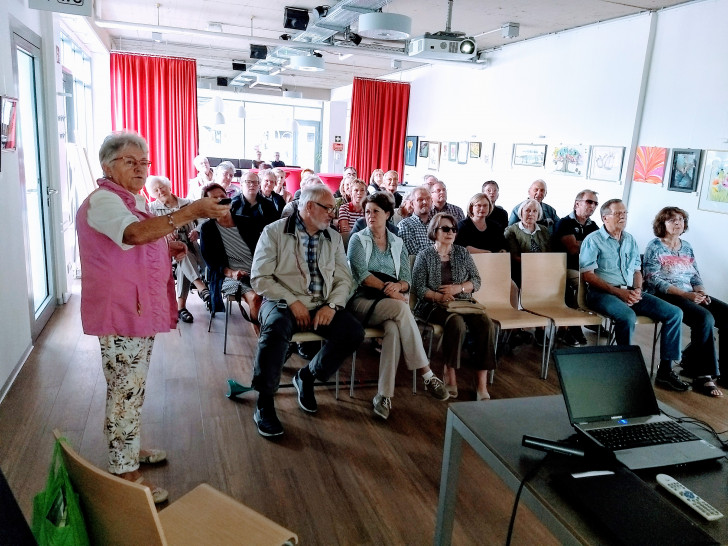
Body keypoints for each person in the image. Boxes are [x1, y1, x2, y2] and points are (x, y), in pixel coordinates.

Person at [76, 132, 229, 503]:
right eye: (131, 161)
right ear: (108, 166)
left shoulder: (127, 199)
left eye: (144, 161)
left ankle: (129, 446)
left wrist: (166, 246)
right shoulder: (104, 200)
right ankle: (124, 470)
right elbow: (132, 234)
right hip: (121, 311)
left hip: (133, 309)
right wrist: (190, 211)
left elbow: (142, 239)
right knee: (125, 391)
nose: (142, 168)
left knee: (132, 387)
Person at [248, 184, 365, 437]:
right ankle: (265, 403)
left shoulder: (332, 237)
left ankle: (308, 376)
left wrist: (333, 306)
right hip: (282, 301)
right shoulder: (275, 232)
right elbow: (259, 278)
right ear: (309, 207)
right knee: (275, 330)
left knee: (353, 332)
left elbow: (345, 279)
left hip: (322, 303)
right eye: (328, 210)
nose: (332, 215)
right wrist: (292, 301)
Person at [347, 193, 449, 419]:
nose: (370, 216)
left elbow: (406, 280)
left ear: (387, 214)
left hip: (390, 301)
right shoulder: (358, 239)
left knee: (393, 330)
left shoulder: (397, 242)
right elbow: (362, 276)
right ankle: (427, 374)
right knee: (403, 309)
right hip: (361, 300)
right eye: (367, 212)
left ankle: (384, 396)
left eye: (375, 211)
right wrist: (389, 289)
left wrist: (397, 288)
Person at [580, 199, 687, 391]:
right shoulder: (593, 240)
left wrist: (637, 290)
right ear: (605, 218)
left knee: (675, 313)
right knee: (627, 316)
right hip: (602, 292)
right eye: (617, 213)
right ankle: (623, 368)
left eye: (625, 213)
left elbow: (637, 271)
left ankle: (665, 371)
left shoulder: (630, 239)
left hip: (629, 290)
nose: (623, 216)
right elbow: (587, 275)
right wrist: (618, 292)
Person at [644, 207, 728, 397]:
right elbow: (653, 279)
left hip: (690, 293)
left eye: (681, 219)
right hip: (666, 294)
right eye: (672, 220)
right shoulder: (654, 246)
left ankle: (723, 372)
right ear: (662, 224)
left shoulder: (687, 246)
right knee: (704, 318)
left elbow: (695, 276)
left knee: (726, 314)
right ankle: (703, 376)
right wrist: (685, 295)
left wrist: (702, 293)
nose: (677, 223)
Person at [412, 213, 497, 400]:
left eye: (453, 229)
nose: (450, 232)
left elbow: (476, 280)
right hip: (433, 304)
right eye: (445, 229)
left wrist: (460, 287)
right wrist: (439, 296)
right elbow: (419, 288)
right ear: (434, 231)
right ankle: (449, 373)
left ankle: (481, 383)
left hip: (463, 302)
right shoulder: (424, 255)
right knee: (456, 323)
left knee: (486, 324)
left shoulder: (462, 252)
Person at [201, 172, 279, 328]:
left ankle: (279, 334)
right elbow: (211, 262)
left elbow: (262, 247)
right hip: (229, 276)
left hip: (256, 270)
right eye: (214, 198)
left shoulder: (246, 221)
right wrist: (231, 272)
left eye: (222, 195)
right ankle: (263, 339)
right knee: (257, 298)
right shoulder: (208, 228)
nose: (220, 200)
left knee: (284, 291)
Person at [146, 175, 211, 322]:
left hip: (192, 247)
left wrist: (197, 231)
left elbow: (205, 221)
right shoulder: (151, 209)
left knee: (183, 256)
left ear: (169, 187)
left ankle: (181, 308)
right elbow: (149, 232)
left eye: (162, 187)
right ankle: (200, 287)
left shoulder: (188, 203)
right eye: (155, 190)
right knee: (181, 254)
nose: (160, 191)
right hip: (167, 252)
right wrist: (164, 234)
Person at [551, 189, 600, 346]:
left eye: (595, 203)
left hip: (586, 268)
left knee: (607, 281)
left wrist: (582, 243)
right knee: (579, 283)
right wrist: (589, 245)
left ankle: (588, 321)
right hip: (563, 267)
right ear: (577, 203)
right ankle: (573, 326)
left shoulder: (593, 226)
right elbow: (573, 249)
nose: (592, 206)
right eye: (589, 202)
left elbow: (601, 248)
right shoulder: (565, 223)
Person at [504, 198, 551, 287]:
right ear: (521, 212)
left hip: (544, 267)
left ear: (538, 214)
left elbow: (549, 252)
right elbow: (514, 256)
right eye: (527, 210)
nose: (531, 214)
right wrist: (534, 264)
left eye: (535, 211)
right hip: (521, 269)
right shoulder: (511, 230)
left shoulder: (544, 230)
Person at [398, 186, 434, 255]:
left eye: (428, 199)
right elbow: (414, 253)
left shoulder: (437, 224)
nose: (425, 202)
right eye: (420, 199)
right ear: (412, 204)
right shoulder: (405, 225)